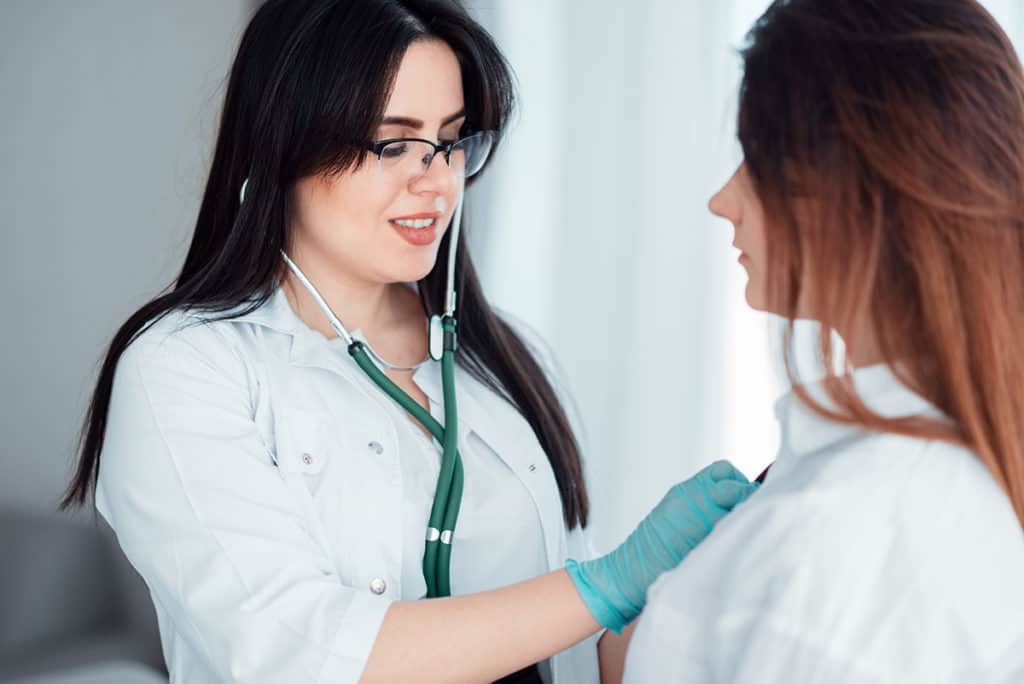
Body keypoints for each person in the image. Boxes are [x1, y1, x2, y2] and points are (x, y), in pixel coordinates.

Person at [60, 1, 757, 682]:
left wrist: (684, 579)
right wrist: (607, 583)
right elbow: (295, 653)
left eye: (451, 141)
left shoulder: (503, 359)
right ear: (286, 145)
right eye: (394, 144)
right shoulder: (184, 370)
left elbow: (573, 652)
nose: (436, 181)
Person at [623, 0, 1024, 681]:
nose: (722, 200)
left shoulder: (840, 551)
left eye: (756, 159)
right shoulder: (948, 470)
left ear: (849, 191)